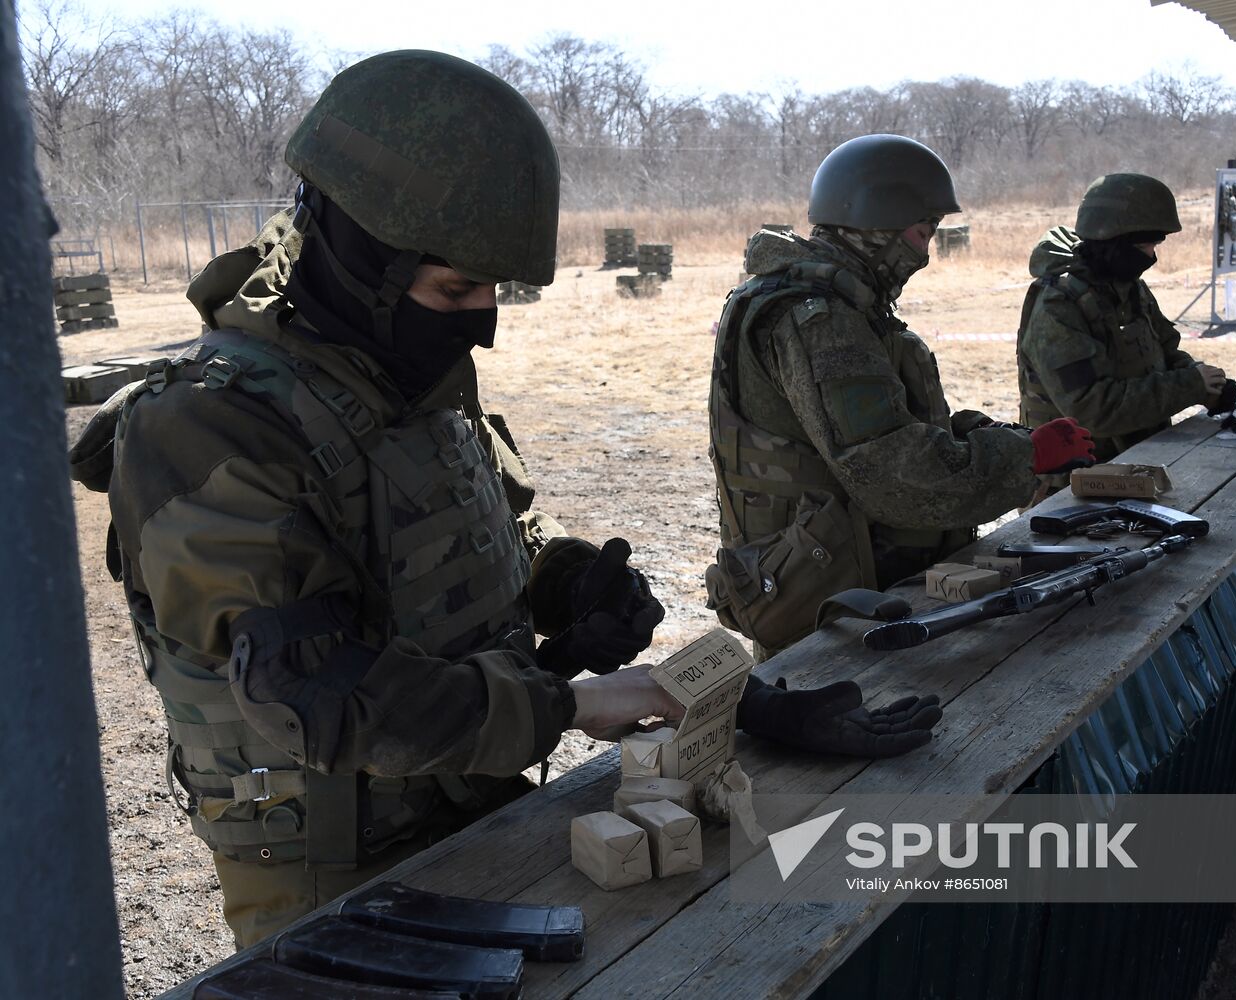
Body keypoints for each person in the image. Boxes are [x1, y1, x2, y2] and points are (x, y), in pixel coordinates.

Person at [70, 52, 939, 948]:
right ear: (357, 257)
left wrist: (565, 583)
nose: (478, 321)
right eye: (454, 289)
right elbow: (317, 697)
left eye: (492, 291)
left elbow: (485, 531)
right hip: (337, 878)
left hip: (484, 805)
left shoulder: (411, 374)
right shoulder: (208, 430)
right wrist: (578, 702)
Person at [705, 134, 1095, 659]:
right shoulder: (819, 320)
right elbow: (890, 472)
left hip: (860, 594)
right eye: (922, 232)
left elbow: (882, 433)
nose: (926, 253)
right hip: (836, 618)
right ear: (878, 223)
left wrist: (979, 436)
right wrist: (1026, 457)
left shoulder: (837, 307)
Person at [1017, 173, 1236, 488]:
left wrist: (1206, 383)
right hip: (1070, 487)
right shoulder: (1058, 306)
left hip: (1132, 468)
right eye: (1146, 244)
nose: (1153, 256)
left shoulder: (1128, 289)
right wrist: (1189, 385)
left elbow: (1166, 351)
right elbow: (1092, 409)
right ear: (1115, 241)